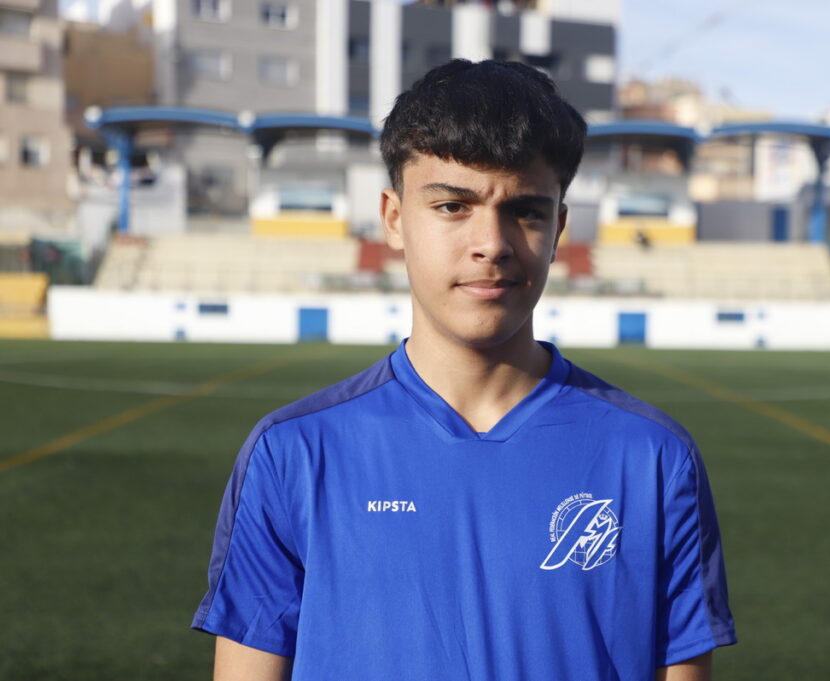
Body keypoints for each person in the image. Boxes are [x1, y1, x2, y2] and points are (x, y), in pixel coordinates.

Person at [192, 59, 736, 681]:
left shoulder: (654, 458)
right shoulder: (292, 453)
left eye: (526, 211)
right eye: (453, 206)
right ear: (394, 219)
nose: (493, 243)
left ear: (559, 228)